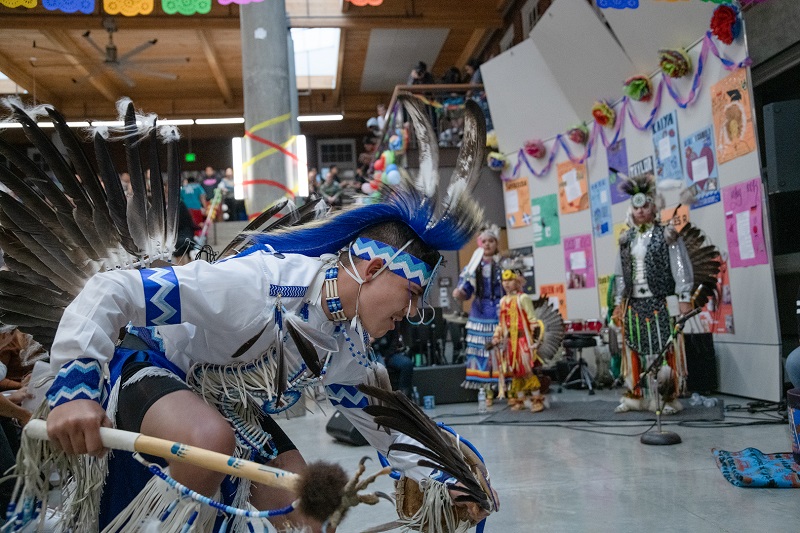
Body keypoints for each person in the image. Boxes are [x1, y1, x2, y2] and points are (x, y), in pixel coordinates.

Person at [14, 96, 497, 532]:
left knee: (307, 506)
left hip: (222, 400)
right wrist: (75, 384)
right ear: (373, 268)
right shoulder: (259, 285)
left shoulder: (344, 344)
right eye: (411, 292)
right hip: (147, 362)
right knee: (206, 438)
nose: (413, 312)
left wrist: (444, 478)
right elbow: (111, 289)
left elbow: (386, 428)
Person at [612, 172, 693, 414]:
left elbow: (680, 266)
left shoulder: (666, 234)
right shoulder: (626, 239)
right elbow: (619, 274)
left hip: (660, 301)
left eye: (645, 205)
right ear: (631, 210)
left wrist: (684, 297)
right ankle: (635, 395)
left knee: (663, 349)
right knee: (634, 349)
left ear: (653, 207)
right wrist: (618, 302)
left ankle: (667, 397)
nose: (640, 211)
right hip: (633, 304)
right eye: (636, 207)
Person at [453, 225, 505, 391]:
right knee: (480, 350)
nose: (488, 244)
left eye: (491, 241)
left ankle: (505, 386)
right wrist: (460, 293)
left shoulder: (504, 264)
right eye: (484, 241)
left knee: (502, 348)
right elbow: (466, 291)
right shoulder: (472, 267)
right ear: (479, 243)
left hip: (500, 311)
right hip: (480, 313)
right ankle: (485, 388)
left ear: (497, 243)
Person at [490, 264, 548, 412]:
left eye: (510, 280)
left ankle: (536, 399)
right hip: (510, 343)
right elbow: (501, 324)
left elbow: (532, 319)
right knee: (515, 372)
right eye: (503, 280)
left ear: (518, 281)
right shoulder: (503, 301)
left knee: (526, 370)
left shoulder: (523, 298)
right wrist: (497, 336)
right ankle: (520, 400)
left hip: (523, 341)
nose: (506, 283)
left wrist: (536, 339)